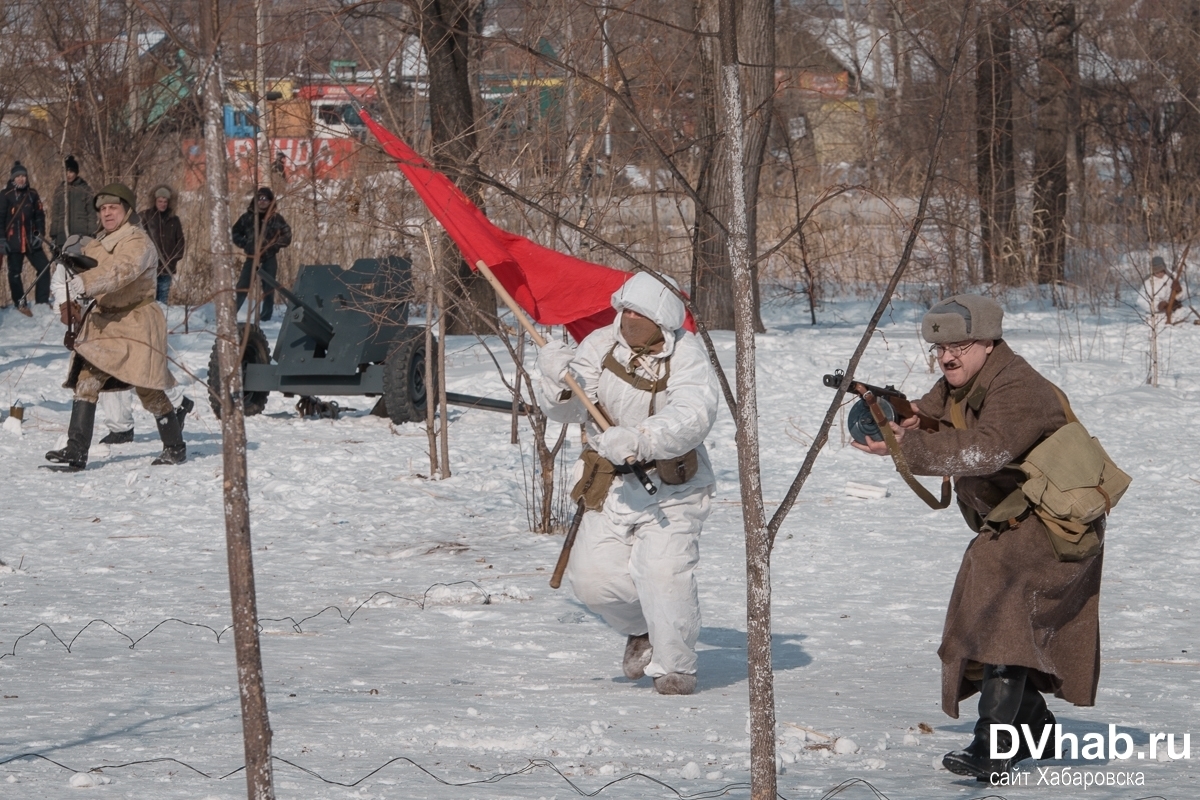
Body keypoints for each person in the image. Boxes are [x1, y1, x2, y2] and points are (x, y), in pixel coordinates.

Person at [852, 295, 1104, 781]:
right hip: (1018, 519)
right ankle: (1035, 727)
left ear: (988, 343)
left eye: (960, 346)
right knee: (982, 612)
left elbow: (986, 451)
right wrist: (903, 422)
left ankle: (994, 744)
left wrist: (913, 446)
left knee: (999, 609)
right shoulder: (961, 383)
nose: (946, 357)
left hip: (1058, 524)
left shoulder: (1020, 387)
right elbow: (930, 415)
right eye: (939, 349)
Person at [534, 272, 719, 696]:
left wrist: (643, 438)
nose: (629, 319)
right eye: (626, 310)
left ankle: (674, 668)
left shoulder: (687, 354)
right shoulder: (601, 343)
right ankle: (642, 629)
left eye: (640, 313)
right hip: (610, 483)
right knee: (593, 582)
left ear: (662, 318)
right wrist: (556, 382)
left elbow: (693, 412)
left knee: (664, 573)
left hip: (673, 485)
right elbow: (569, 410)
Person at [45, 183, 186, 471]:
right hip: (106, 322)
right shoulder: (97, 241)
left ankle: (175, 447)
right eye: (103, 209)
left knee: (148, 390)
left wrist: (85, 282)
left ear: (127, 210)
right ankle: (76, 451)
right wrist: (69, 266)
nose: (107, 213)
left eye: (114, 208)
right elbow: (87, 264)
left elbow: (119, 271)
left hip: (136, 323)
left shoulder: (138, 242)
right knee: (87, 379)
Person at [232, 186, 291, 321]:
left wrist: (273, 246)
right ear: (255, 200)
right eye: (260, 198)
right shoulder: (247, 218)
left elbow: (287, 236)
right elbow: (234, 233)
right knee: (242, 286)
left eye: (266, 199)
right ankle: (232, 315)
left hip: (269, 257)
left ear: (271, 201)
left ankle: (266, 317)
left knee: (269, 287)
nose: (262, 201)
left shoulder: (276, 219)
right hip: (252, 256)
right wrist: (246, 244)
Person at [1, 161, 50, 314]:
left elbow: (39, 216)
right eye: (18, 176)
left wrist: (40, 234)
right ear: (13, 178)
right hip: (13, 242)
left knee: (44, 268)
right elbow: (0, 219)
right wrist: (1, 240)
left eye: (23, 176)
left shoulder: (33, 194)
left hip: (31, 241)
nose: (21, 179)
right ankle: (20, 303)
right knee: (14, 273)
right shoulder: (5, 196)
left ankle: (42, 302)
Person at [140, 185, 185, 304]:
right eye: (160, 201)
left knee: (163, 300)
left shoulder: (174, 220)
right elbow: (138, 241)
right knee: (147, 300)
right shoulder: (145, 217)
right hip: (149, 267)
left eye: (165, 201)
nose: (163, 204)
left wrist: (173, 260)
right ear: (154, 201)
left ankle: (162, 321)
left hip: (167, 268)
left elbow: (180, 242)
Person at [49, 155, 95, 250]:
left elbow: (91, 214)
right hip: (62, 237)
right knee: (61, 264)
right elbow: (55, 215)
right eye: (65, 172)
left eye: (71, 172)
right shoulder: (60, 191)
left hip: (80, 236)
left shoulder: (85, 190)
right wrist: (54, 235)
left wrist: (92, 233)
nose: (68, 175)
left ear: (76, 173)